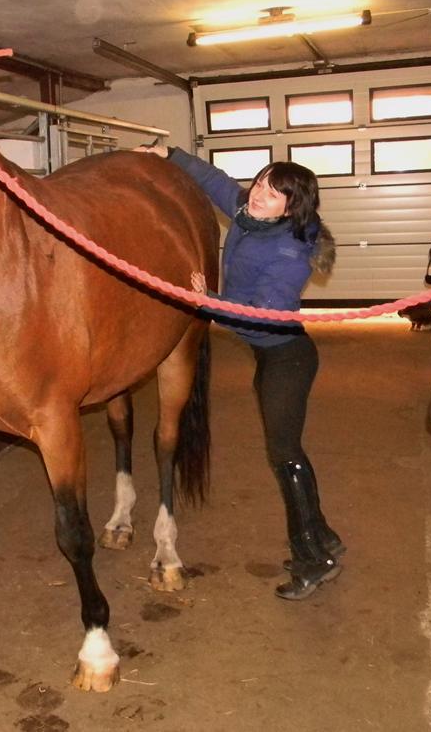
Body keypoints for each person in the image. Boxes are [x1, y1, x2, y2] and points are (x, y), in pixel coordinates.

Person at [137, 144, 344, 600]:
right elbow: (215, 182)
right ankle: (324, 539)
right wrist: (168, 153)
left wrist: (206, 300)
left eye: (272, 193)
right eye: (260, 183)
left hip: (287, 359)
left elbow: (259, 314)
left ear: (291, 208)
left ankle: (314, 559)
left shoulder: (289, 250)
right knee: (286, 452)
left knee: (285, 455)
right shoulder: (252, 216)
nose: (257, 194)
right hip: (269, 358)